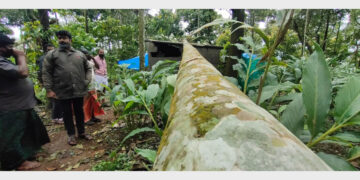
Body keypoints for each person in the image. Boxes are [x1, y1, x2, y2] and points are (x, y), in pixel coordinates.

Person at [0, 33, 50, 170]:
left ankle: (26, 154)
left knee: (25, 131)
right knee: (11, 136)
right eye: (9, 46)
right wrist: (20, 56)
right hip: (10, 107)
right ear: (2, 47)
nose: (12, 49)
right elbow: (22, 72)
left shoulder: (3, 59)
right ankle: (17, 162)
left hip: (19, 105)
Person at [42, 30, 92, 146]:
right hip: (62, 89)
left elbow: (88, 68)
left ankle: (82, 132)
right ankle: (71, 135)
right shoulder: (52, 55)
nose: (61, 40)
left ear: (70, 40)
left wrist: (87, 81)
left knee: (79, 111)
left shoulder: (79, 54)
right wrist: (49, 89)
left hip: (79, 89)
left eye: (64, 38)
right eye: (59, 38)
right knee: (67, 113)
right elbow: (46, 72)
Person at [36, 43, 64, 124]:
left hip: (56, 82)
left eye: (52, 49)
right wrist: (45, 84)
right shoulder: (43, 59)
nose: (50, 51)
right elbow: (43, 72)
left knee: (55, 100)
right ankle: (57, 117)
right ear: (46, 50)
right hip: (52, 82)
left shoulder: (55, 57)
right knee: (57, 100)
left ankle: (56, 117)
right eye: (48, 50)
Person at [79, 48, 104, 126]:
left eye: (87, 54)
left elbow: (98, 67)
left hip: (93, 85)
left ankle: (93, 117)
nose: (87, 55)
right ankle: (85, 119)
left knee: (93, 102)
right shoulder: (80, 63)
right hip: (86, 86)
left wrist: (93, 58)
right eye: (85, 54)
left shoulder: (90, 62)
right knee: (85, 103)